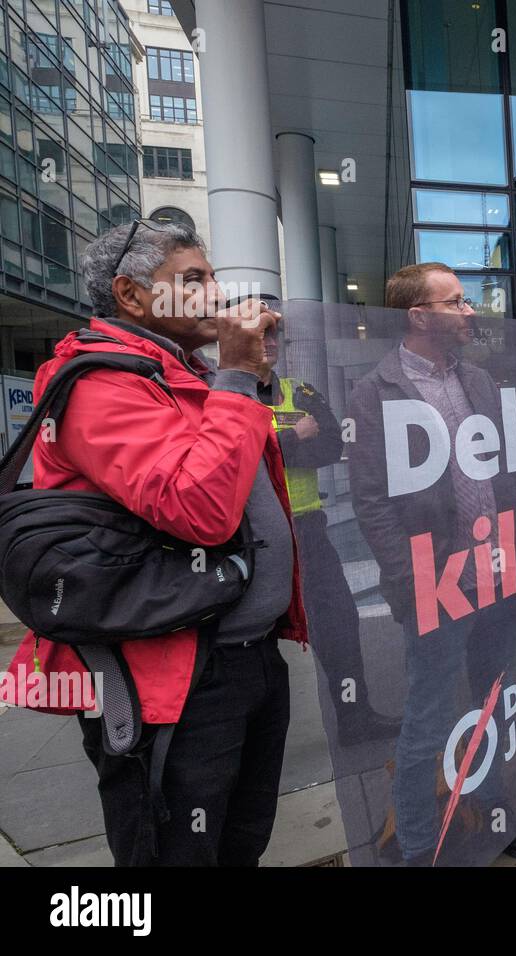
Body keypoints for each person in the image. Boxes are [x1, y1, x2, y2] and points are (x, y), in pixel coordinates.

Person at [0, 220, 307, 865]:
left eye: (213, 276)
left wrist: (246, 381)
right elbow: (197, 508)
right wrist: (236, 376)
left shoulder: (178, 373)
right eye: (192, 280)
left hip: (245, 659)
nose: (215, 292)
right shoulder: (99, 382)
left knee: (240, 839)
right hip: (173, 679)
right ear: (131, 296)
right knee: (175, 852)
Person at [348, 262, 516, 861]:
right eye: (456, 302)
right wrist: (412, 583)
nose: (470, 311)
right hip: (439, 589)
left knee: (491, 705)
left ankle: (496, 817)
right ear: (418, 316)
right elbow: (372, 503)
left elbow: (514, 455)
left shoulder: (477, 380)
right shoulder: (375, 392)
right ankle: (417, 847)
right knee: (427, 721)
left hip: (498, 579)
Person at [259, 328, 399, 746]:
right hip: (252, 537)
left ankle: (355, 720)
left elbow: (332, 445)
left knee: (338, 624)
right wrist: (291, 438)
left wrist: (276, 448)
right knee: (253, 643)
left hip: (308, 529)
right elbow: (229, 461)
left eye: (274, 335)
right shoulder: (220, 395)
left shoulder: (298, 391)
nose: (269, 342)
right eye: (259, 334)